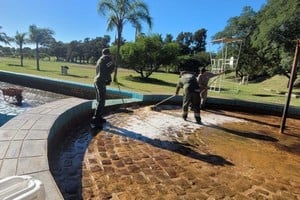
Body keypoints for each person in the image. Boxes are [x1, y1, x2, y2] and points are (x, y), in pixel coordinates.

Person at [91, 48, 115, 129]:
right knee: (102, 101)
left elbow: (103, 70)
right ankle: (95, 120)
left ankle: (99, 117)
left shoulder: (99, 59)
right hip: (101, 81)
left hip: (97, 81)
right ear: (108, 53)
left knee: (99, 100)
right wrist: (113, 64)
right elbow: (111, 68)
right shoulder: (107, 58)